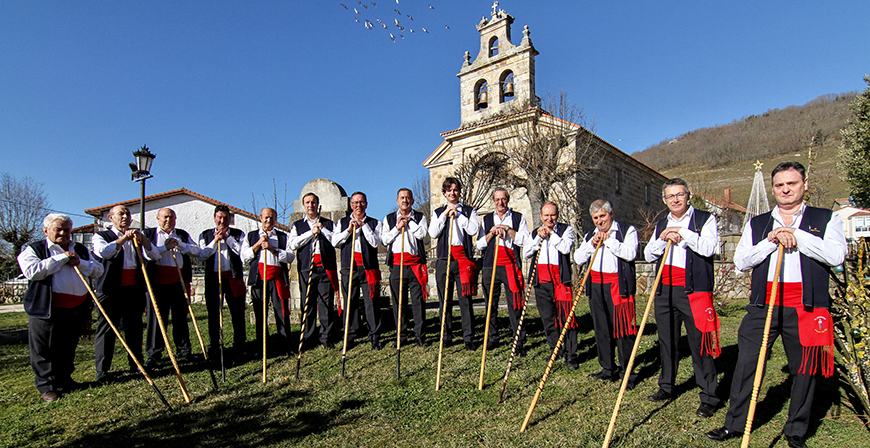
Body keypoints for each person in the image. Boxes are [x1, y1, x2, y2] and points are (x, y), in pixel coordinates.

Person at [706, 162, 846, 448]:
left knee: (804, 369)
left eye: (791, 183)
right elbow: (741, 261)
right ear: (773, 189)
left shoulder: (826, 218)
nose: (785, 189)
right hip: (763, 304)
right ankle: (735, 423)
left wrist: (798, 236)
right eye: (780, 185)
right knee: (746, 363)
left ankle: (796, 430)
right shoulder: (758, 223)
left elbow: (836, 256)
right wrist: (771, 240)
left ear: (804, 184)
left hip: (806, 306)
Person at [644, 178, 721, 418]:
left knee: (700, 343)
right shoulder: (660, 224)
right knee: (667, 340)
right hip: (665, 289)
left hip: (694, 290)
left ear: (688, 195)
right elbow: (648, 254)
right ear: (664, 200)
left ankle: (709, 395)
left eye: (680, 194)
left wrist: (684, 234)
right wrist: (663, 238)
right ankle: (666, 386)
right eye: (670, 196)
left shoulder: (704, 219)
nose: (675, 200)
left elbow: (710, 248)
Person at [18, 214, 104, 401]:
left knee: (67, 345)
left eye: (66, 230)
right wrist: (62, 258)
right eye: (58, 229)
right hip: (47, 308)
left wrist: (79, 262)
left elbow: (98, 270)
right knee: (44, 348)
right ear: (46, 230)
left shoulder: (79, 249)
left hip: (75, 307)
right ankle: (47, 386)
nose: (63, 233)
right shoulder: (35, 249)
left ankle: (64, 379)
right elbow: (32, 272)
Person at [574, 199, 639, 384]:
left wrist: (609, 241)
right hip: (596, 285)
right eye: (595, 218)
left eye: (602, 216)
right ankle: (608, 368)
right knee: (601, 327)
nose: (599, 221)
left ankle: (628, 371)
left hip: (617, 285)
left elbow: (630, 253)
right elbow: (578, 258)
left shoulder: (627, 231)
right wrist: (591, 245)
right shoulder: (590, 235)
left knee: (622, 329)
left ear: (611, 214)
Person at [92, 205, 157, 382]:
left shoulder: (137, 236)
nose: (125, 216)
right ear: (111, 218)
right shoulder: (101, 236)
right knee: (107, 328)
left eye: (127, 213)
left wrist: (143, 241)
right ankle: (103, 369)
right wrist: (122, 240)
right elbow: (104, 253)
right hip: (110, 289)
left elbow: (155, 255)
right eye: (121, 213)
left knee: (134, 327)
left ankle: (136, 363)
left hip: (133, 288)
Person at [143, 207, 201, 367]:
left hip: (178, 282)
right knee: (156, 320)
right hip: (157, 283)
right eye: (166, 217)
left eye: (172, 217)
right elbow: (148, 254)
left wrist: (180, 245)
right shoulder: (149, 235)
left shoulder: (181, 234)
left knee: (180, 318)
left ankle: (184, 351)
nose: (169, 220)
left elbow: (196, 250)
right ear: (158, 218)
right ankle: (154, 354)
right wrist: (165, 248)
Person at [477, 188, 531, 354]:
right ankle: (492, 337)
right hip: (490, 265)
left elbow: (525, 241)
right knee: (490, 304)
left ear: (507, 200)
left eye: (503, 199)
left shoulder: (517, 218)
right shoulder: (486, 219)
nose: (500, 203)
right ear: (493, 201)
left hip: (510, 265)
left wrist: (508, 229)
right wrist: (492, 233)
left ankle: (518, 341)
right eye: (497, 199)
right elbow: (479, 244)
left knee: (515, 304)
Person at [523, 202, 577, 369]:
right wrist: (539, 237)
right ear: (541, 216)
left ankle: (571, 353)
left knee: (566, 319)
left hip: (560, 281)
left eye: (552, 215)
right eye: (546, 216)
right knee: (548, 319)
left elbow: (566, 248)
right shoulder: (535, 233)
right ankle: (555, 349)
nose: (549, 218)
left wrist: (552, 234)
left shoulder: (566, 230)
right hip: (542, 282)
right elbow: (526, 253)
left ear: (557, 215)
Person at [429, 177, 479, 351]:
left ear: (459, 192)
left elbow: (473, 230)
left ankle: (468, 337)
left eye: (455, 190)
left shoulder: (469, 211)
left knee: (465, 299)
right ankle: (446, 336)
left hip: (463, 259)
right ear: (444, 193)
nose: (452, 193)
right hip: (444, 259)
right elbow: (433, 233)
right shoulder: (437, 212)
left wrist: (459, 215)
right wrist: (445, 215)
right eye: (449, 190)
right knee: (445, 300)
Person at [333, 192, 383, 350]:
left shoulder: (374, 223)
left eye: (361, 202)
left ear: (366, 204)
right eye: (355, 203)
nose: (358, 206)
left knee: (371, 303)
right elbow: (335, 242)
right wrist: (349, 230)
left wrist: (364, 226)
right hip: (350, 268)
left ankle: (374, 337)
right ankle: (350, 336)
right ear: (350, 205)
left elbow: (375, 243)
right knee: (350, 303)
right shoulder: (342, 223)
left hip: (368, 269)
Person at [241, 207, 294, 356]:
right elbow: (244, 257)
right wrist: (258, 244)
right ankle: (262, 348)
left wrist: (272, 249)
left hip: (278, 279)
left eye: (271, 218)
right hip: (259, 279)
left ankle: (284, 346)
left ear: (275, 219)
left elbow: (290, 257)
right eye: (266, 217)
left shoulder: (283, 237)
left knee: (282, 313)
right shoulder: (251, 236)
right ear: (260, 218)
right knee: (260, 314)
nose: (268, 220)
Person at [198, 205, 247, 361]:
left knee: (238, 313)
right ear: (214, 218)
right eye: (219, 217)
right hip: (214, 278)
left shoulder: (238, 234)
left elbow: (242, 253)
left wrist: (227, 239)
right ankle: (214, 346)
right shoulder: (205, 235)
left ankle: (239, 345)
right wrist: (215, 241)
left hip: (233, 277)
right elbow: (201, 256)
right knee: (213, 313)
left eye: (226, 217)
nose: (222, 220)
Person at [290, 194, 339, 349]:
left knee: (326, 303)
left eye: (313, 202)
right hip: (307, 268)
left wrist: (322, 230)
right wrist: (311, 232)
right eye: (307, 202)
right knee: (308, 304)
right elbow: (293, 244)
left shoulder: (329, 224)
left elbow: (335, 240)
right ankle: (309, 338)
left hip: (325, 268)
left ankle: (326, 336)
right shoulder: (297, 226)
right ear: (304, 205)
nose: (310, 205)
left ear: (318, 204)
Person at [382, 188, 429, 347]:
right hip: (397, 265)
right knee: (398, 302)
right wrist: (397, 227)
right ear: (397, 201)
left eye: (408, 198)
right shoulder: (388, 219)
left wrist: (409, 222)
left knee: (418, 302)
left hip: (415, 265)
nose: (405, 200)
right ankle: (401, 336)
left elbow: (422, 234)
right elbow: (385, 240)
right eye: (402, 198)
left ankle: (420, 336)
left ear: (412, 201)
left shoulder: (420, 217)